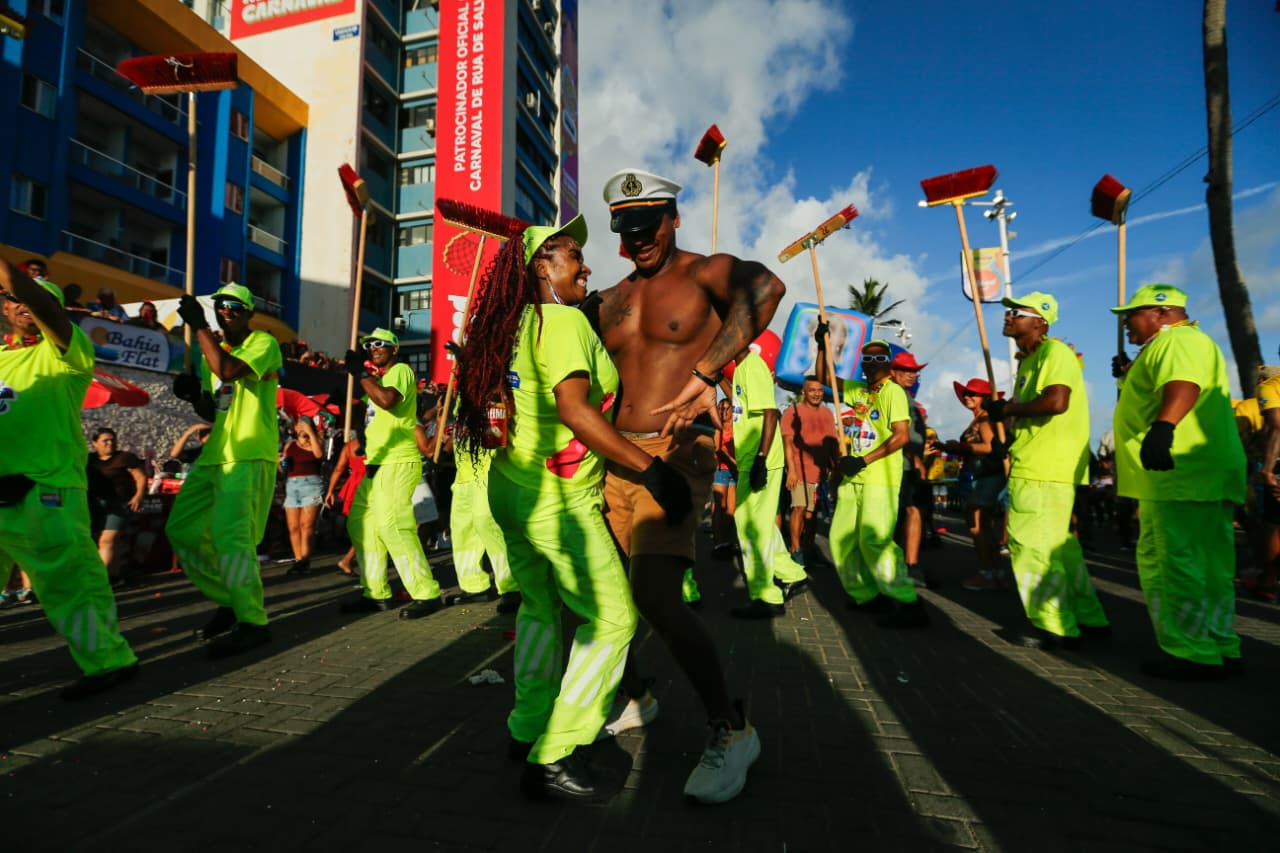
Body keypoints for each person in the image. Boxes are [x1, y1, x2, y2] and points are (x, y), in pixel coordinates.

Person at [454, 214, 691, 802]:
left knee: (539, 608)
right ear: (541, 266)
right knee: (612, 619)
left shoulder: (511, 325)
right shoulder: (560, 323)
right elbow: (576, 412)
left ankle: (527, 725)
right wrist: (652, 471)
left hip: (511, 490)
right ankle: (556, 752)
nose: (585, 265)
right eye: (570, 255)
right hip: (558, 503)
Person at [584, 168, 783, 804]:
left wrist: (707, 372)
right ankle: (636, 696)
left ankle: (733, 728)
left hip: (676, 453)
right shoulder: (609, 299)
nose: (639, 239)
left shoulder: (704, 272)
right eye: (627, 229)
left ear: (673, 218)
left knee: (655, 595)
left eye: (649, 225)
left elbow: (768, 288)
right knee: (599, 594)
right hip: (613, 456)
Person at [0, 260, 138, 698]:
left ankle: (109, 663)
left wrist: (20, 284)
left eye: (39, 301)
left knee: (72, 587)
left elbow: (36, 300)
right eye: (13, 299)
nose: (24, 305)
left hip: (45, 491)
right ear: (4, 308)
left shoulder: (67, 350)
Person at [1110, 284, 1245, 679]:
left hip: (1176, 472)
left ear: (1161, 312)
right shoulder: (1185, 342)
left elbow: (1183, 384)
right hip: (1202, 472)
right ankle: (1219, 642)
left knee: (1172, 562)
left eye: (1132, 315)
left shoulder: (1176, 340)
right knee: (1211, 565)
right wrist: (1127, 377)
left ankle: (1191, 651)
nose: (1126, 323)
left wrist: (1163, 428)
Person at [983, 292, 1109, 650]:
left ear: (1040, 321)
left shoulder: (1054, 353)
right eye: (1008, 311)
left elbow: (1056, 401)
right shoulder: (1029, 361)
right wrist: (1007, 419)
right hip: (1040, 463)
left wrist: (1009, 410)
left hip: (1043, 467)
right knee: (1059, 549)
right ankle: (1087, 616)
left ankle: (1054, 624)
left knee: (1031, 546)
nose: (1008, 316)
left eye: (1017, 312)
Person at [166, 282, 282, 658]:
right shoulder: (211, 352)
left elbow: (228, 371)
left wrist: (199, 325)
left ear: (249, 313)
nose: (226, 310)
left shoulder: (264, 343)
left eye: (235, 306)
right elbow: (214, 409)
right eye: (221, 305)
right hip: (215, 454)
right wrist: (193, 395)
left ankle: (253, 622)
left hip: (248, 454)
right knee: (181, 529)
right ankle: (230, 599)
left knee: (232, 540)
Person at [821, 338, 929, 627]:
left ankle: (908, 602)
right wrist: (822, 347)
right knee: (841, 538)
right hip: (853, 479)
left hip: (880, 479)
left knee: (874, 541)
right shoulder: (859, 390)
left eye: (880, 358)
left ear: (889, 363)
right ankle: (868, 594)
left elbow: (901, 436)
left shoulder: (893, 392)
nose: (873, 363)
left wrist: (863, 461)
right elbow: (824, 377)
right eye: (868, 358)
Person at [338, 328, 446, 618]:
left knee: (394, 527)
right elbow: (368, 415)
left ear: (395, 349)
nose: (373, 347)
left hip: (397, 462)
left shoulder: (401, 371)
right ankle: (376, 593)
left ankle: (426, 592)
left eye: (380, 343)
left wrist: (361, 373)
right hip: (375, 464)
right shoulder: (378, 380)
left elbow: (387, 400)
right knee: (361, 525)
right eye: (369, 345)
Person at [729, 339, 808, 617]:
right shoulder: (741, 368)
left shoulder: (753, 366)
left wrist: (761, 460)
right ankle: (792, 573)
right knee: (757, 523)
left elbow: (771, 413)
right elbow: (742, 406)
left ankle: (767, 596)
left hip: (759, 459)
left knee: (752, 529)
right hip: (750, 457)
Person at [946, 378, 1010, 591]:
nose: (967, 397)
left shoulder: (984, 419)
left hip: (989, 476)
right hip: (986, 476)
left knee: (977, 525)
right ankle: (995, 573)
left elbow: (989, 447)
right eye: (966, 393)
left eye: (972, 393)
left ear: (984, 397)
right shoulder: (981, 418)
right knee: (984, 527)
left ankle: (987, 573)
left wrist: (961, 447)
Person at [887, 351, 937, 588]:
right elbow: (898, 432)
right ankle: (909, 565)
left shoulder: (907, 398)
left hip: (909, 465)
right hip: (903, 465)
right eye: (907, 370)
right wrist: (915, 459)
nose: (912, 375)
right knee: (910, 512)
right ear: (893, 372)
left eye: (915, 371)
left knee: (907, 513)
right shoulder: (894, 394)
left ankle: (904, 564)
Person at [780, 376, 837, 565]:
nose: (817, 394)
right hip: (800, 470)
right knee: (799, 508)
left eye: (819, 390)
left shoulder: (827, 413)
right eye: (812, 390)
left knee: (812, 515)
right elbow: (787, 443)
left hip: (820, 473)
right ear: (803, 392)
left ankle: (808, 550)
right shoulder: (792, 412)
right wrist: (791, 470)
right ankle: (795, 549)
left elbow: (832, 443)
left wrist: (836, 466)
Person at [87, 427, 147, 586]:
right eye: (105, 440)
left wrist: (139, 495)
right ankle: (114, 576)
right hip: (95, 504)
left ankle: (100, 581)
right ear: (95, 443)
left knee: (107, 540)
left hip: (119, 504)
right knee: (99, 541)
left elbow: (140, 477)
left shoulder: (125, 458)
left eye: (112, 440)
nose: (110, 443)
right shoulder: (89, 460)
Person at [279, 416, 325, 576]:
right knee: (293, 526)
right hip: (292, 486)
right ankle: (298, 560)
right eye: (298, 424)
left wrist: (310, 433)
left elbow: (319, 455)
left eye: (304, 424)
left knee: (307, 526)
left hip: (312, 486)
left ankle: (305, 561)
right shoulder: (290, 445)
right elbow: (283, 470)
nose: (301, 427)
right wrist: (281, 463)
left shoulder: (316, 441)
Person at [325, 426, 367, 576]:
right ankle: (348, 559)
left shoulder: (349, 446)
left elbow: (338, 469)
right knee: (368, 527)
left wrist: (330, 491)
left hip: (354, 484)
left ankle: (349, 559)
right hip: (367, 484)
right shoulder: (376, 442)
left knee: (363, 526)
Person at [710, 396, 738, 560]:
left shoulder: (737, 426)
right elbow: (718, 449)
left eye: (726, 408)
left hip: (734, 470)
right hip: (720, 469)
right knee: (720, 506)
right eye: (720, 408)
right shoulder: (717, 426)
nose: (723, 411)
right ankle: (718, 543)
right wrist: (733, 462)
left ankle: (725, 540)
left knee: (731, 509)